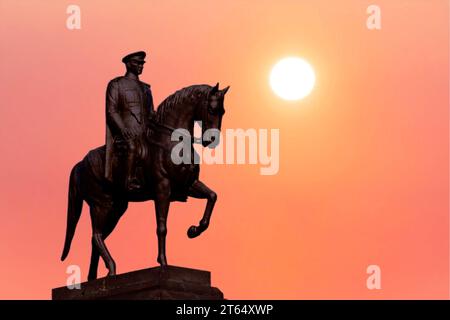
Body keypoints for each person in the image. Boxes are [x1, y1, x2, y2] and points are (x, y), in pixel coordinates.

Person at [104, 51, 155, 191]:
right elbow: (112, 111)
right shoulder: (117, 84)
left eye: (142, 63)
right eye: (137, 63)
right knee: (132, 147)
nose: (140, 66)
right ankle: (129, 180)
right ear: (127, 64)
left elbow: (151, 113)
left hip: (145, 134)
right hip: (126, 135)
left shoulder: (146, 88)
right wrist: (123, 129)